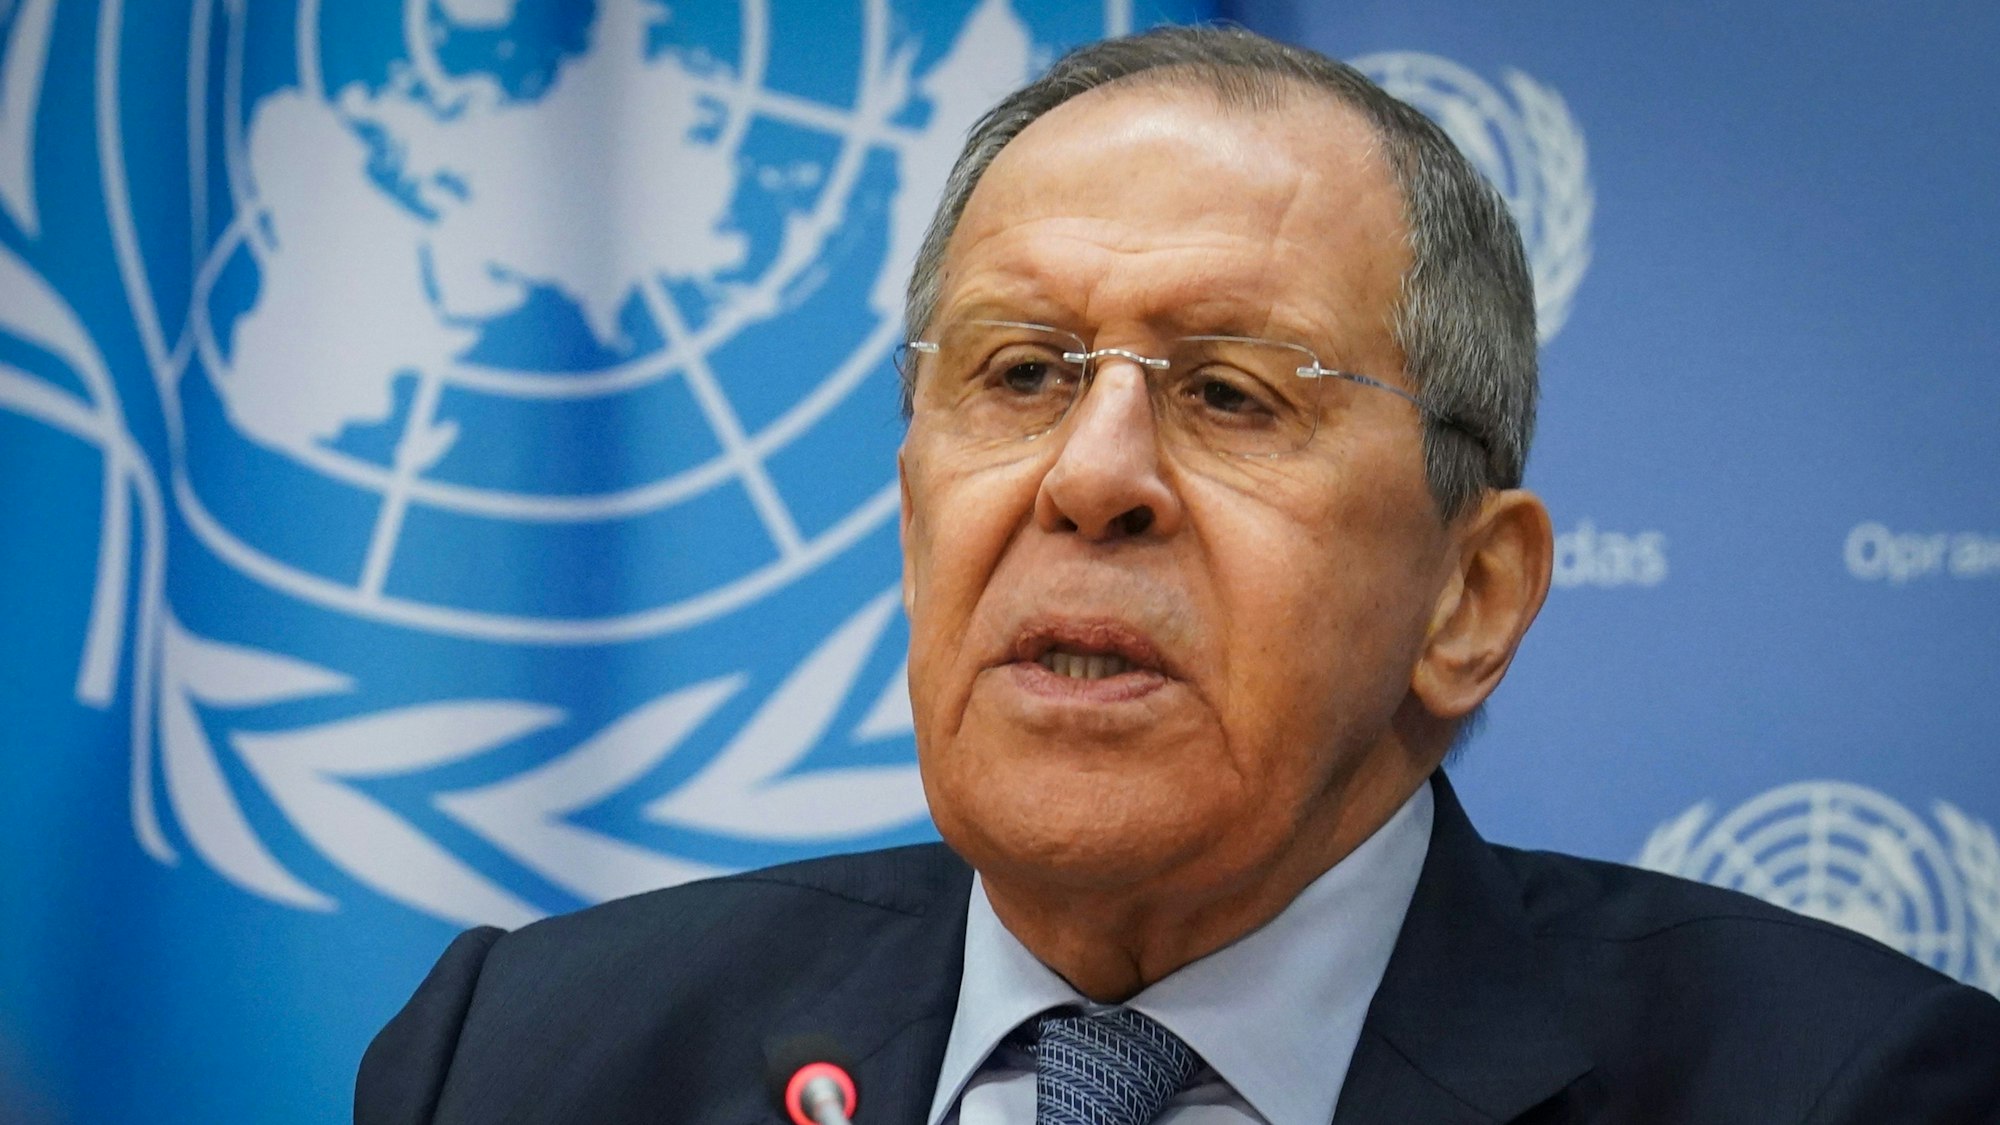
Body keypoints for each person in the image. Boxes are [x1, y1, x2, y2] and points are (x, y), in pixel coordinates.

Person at [356, 26, 2000, 1125]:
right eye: (1019, 373)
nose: (1091, 478)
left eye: (1229, 393)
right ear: (914, 505)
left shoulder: (1840, 1086)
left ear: (1472, 596)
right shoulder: (520, 1057)